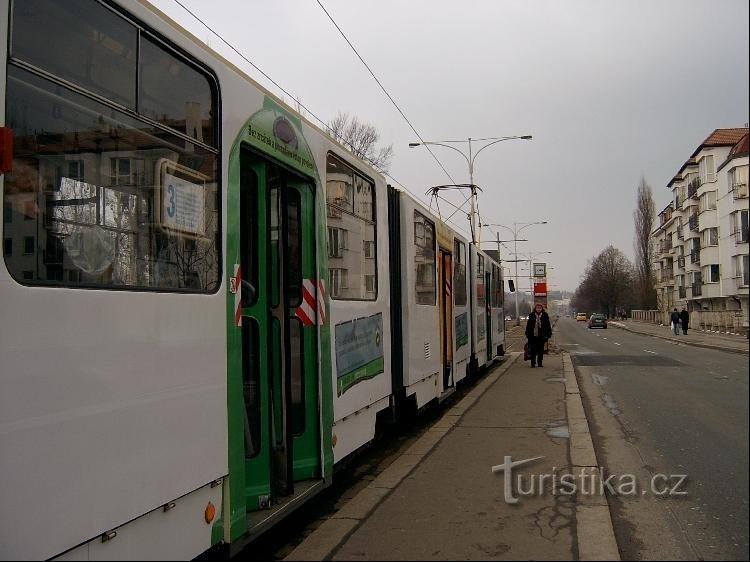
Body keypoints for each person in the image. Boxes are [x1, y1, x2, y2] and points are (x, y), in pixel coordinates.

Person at [525, 302, 552, 368]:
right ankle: (533, 363)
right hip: (533, 336)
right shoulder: (531, 315)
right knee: (533, 350)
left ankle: (540, 363)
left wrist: (548, 334)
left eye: (540, 308)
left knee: (540, 350)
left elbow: (548, 325)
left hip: (542, 336)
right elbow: (528, 326)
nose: (538, 309)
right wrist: (527, 334)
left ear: (542, 309)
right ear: (535, 308)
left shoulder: (545, 315)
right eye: (537, 308)